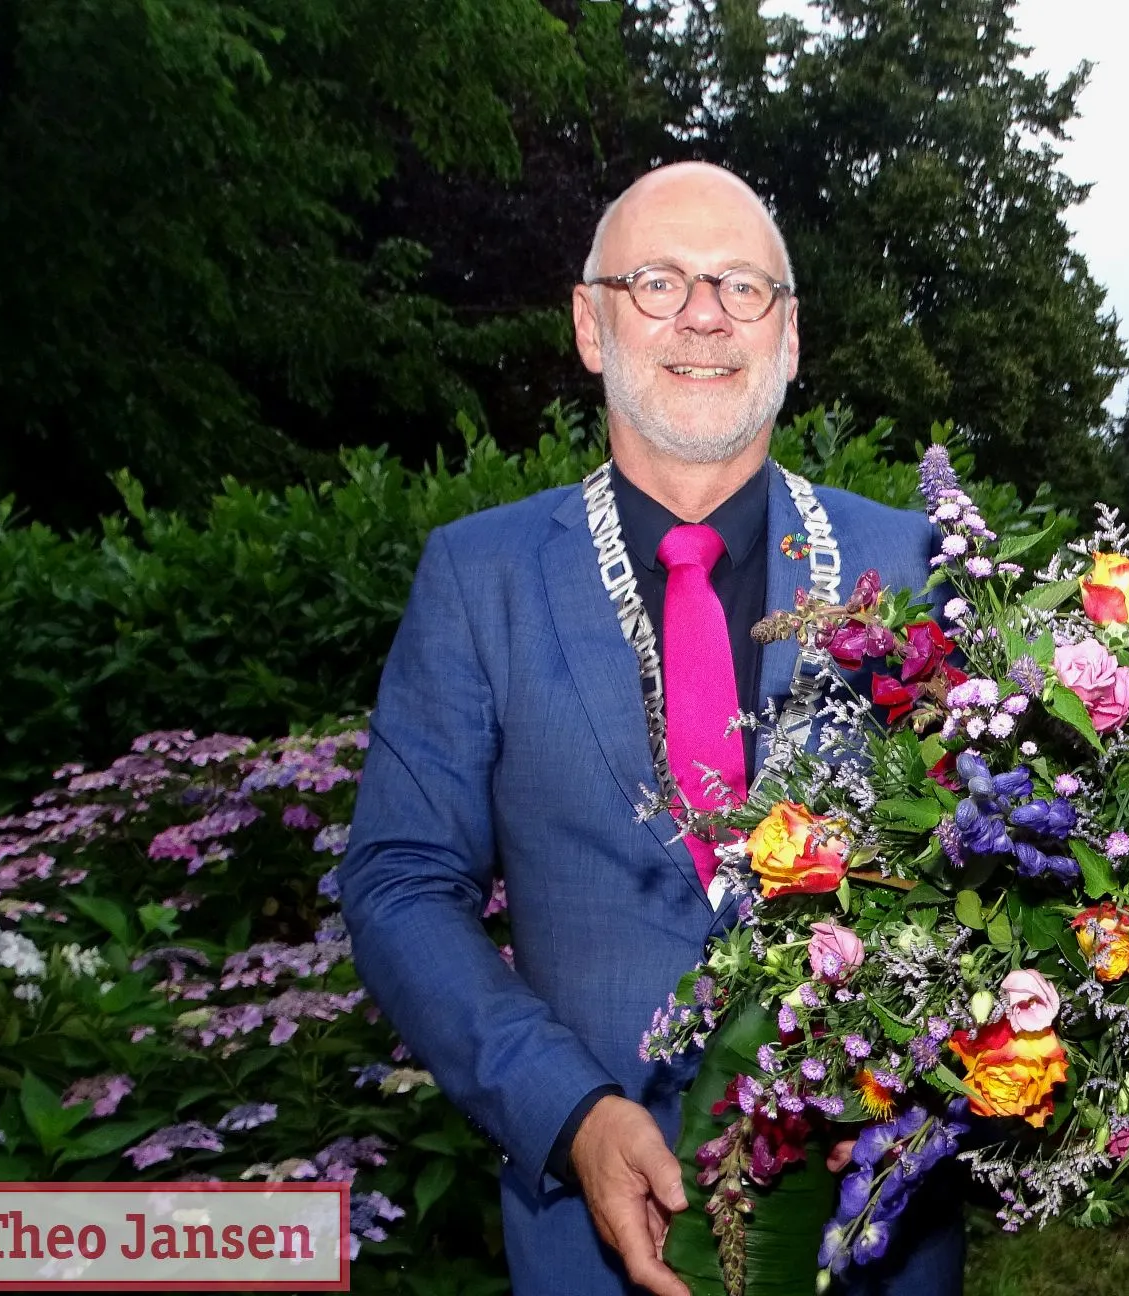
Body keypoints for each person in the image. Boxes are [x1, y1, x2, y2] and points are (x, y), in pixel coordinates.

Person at [339, 163, 960, 1296]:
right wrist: (566, 1112)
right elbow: (398, 881)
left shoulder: (917, 570)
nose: (704, 314)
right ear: (589, 323)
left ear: (789, 336)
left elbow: (1001, 869)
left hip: (870, 1234)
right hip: (585, 1238)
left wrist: (916, 1084)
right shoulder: (480, 578)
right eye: (658, 281)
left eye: (740, 285)